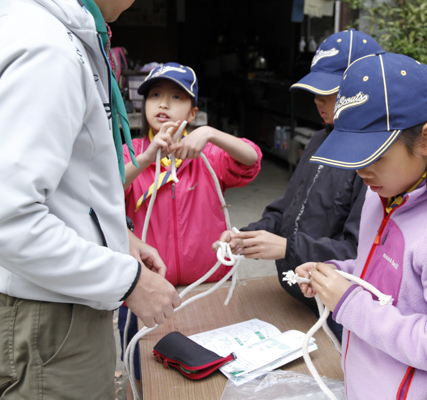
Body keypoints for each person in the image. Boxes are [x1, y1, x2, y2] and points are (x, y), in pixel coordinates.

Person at [296, 53, 427, 399]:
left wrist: (349, 303)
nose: (362, 171)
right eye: (354, 155)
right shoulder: (383, 192)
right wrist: (338, 275)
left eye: (375, 155)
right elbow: (392, 284)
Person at [0, 1, 181, 399]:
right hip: (51, 317)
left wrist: (118, 239)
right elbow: (8, 219)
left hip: (56, 301)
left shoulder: (57, 34)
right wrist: (129, 282)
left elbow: (67, 185)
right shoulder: (48, 48)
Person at [213, 29, 383, 341]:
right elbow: (287, 208)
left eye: (330, 92)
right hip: (300, 296)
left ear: (363, 88)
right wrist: (250, 234)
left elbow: (360, 251)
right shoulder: (320, 139)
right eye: (316, 91)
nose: (318, 100)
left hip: (339, 309)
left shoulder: (375, 161)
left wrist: (287, 248)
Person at [119, 62, 261, 396]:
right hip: (146, 292)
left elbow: (251, 158)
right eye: (155, 95)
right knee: (147, 375)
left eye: (176, 97)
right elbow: (103, 190)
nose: (163, 104)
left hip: (206, 288)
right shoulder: (132, 154)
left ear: (193, 112)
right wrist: (148, 157)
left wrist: (210, 134)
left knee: (208, 375)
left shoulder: (210, 156)